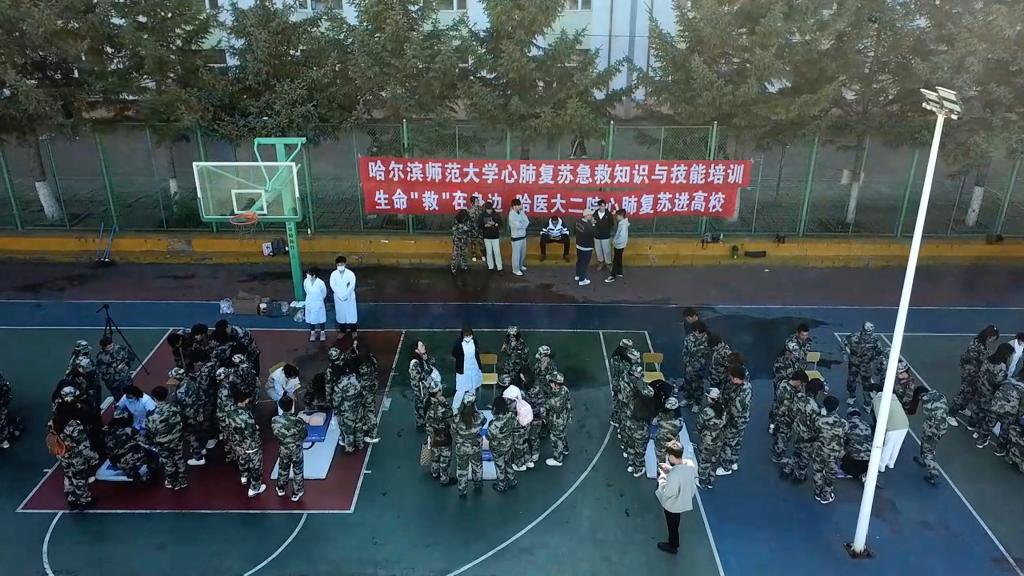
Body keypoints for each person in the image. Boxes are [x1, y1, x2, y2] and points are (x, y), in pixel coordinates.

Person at [52, 390, 100, 510]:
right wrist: (93, 457)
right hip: (75, 456)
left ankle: (71, 499)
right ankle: (83, 500)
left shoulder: (54, 421)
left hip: (62, 454)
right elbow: (83, 445)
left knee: (68, 475)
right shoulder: (73, 424)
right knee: (79, 477)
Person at [948, 325, 999, 427]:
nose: (993, 341)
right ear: (989, 336)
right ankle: (951, 413)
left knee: (971, 393)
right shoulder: (977, 346)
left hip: (975, 372)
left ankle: (962, 407)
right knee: (964, 392)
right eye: (993, 338)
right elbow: (978, 359)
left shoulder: (981, 343)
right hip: (969, 372)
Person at [655, 441, 697, 555]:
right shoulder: (690, 464)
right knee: (676, 520)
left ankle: (673, 545)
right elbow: (682, 473)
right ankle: (674, 542)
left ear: (672, 456)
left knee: (672, 524)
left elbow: (668, 492)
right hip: (684, 498)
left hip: (673, 504)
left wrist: (662, 477)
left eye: (669, 456)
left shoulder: (673, 476)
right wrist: (670, 469)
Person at [144, 385, 188, 490]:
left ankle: (173, 482)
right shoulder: (175, 407)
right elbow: (183, 419)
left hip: (162, 443)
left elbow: (149, 432)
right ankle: (183, 480)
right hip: (177, 439)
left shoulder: (151, 415)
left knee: (168, 462)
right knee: (179, 459)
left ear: (154, 398)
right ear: (167, 395)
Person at [782, 378, 825, 482]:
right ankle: (799, 476)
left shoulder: (799, 397)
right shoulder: (815, 407)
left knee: (797, 451)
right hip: (808, 436)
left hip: (797, 430)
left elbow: (793, 411)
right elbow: (814, 425)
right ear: (817, 392)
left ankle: (787, 469)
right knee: (805, 457)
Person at [972, 342, 1013, 448]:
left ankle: (973, 426)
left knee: (978, 408)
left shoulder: (989, 359)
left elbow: (981, 371)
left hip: (981, 387)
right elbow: (999, 382)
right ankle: (979, 433)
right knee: (987, 414)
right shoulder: (1002, 367)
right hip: (990, 393)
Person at [227, 387, 266, 497]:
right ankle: (254, 488)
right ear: (245, 400)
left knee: (242, 460)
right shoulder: (247, 414)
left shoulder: (230, 413)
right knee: (256, 467)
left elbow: (229, 428)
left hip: (237, 444)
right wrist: (256, 428)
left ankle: (244, 476)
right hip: (251, 445)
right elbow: (251, 432)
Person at [272, 396, 308, 502]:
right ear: (292, 406)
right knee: (298, 470)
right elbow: (304, 434)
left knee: (283, 468)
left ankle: (280, 487)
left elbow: (275, 434)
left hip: (283, 448)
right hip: (296, 449)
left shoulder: (275, 420)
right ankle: (296, 492)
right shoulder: (298, 421)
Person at [104, 407, 154, 482]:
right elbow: (145, 441)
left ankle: (132, 472)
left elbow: (109, 452)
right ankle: (150, 474)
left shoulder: (107, 435)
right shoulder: (128, 430)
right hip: (134, 458)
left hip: (119, 463)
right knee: (153, 455)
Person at [623, 363, 656, 478]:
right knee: (640, 448)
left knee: (631, 444)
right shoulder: (643, 392)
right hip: (640, 425)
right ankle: (638, 468)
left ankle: (631, 464)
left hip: (629, 421)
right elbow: (651, 394)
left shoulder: (627, 383)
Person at [844, 322, 888, 407]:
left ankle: (867, 403)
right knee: (851, 381)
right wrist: (845, 354)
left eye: (869, 331)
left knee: (867, 385)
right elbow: (844, 343)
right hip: (853, 365)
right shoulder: (853, 337)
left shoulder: (875, 340)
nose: (868, 333)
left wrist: (874, 358)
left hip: (866, 366)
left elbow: (879, 351)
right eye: (866, 331)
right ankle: (852, 396)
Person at [812, 396, 846, 504]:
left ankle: (817, 492)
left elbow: (814, 430)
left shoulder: (818, 419)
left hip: (819, 451)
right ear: (837, 408)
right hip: (833, 454)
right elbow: (845, 432)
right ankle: (825, 495)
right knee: (830, 474)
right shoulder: (842, 423)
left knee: (817, 472)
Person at [169, 367, 206, 466]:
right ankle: (202, 448)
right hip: (198, 412)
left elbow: (183, 408)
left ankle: (198, 457)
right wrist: (200, 411)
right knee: (199, 432)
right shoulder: (191, 381)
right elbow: (201, 396)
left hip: (189, 417)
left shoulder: (180, 392)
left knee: (191, 437)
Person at [527, 345, 558, 465]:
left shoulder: (552, 367)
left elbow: (552, 383)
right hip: (539, 392)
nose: (539, 357)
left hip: (547, 393)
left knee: (546, 412)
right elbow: (534, 375)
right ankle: (541, 427)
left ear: (545, 356)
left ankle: (545, 428)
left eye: (541, 355)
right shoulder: (537, 364)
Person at [913, 385, 949, 485]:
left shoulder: (927, 403)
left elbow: (929, 416)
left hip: (932, 430)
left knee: (928, 450)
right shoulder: (940, 396)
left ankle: (933, 471)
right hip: (942, 427)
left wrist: (928, 429)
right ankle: (923, 460)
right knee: (927, 445)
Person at [719, 365, 751, 475]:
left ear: (736, 379)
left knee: (728, 443)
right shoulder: (747, 385)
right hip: (743, 420)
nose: (730, 379)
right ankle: (733, 461)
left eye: (732, 378)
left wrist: (724, 419)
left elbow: (733, 412)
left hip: (735, 422)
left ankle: (726, 467)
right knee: (737, 442)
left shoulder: (740, 397)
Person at [871, 382, 910, 473]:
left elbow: (879, 417)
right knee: (896, 445)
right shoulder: (893, 397)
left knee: (888, 445)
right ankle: (891, 462)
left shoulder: (877, 400)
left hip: (893, 426)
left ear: (874, 392)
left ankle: (881, 465)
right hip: (904, 424)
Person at [771, 370, 808, 464]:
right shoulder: (790, 394)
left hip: (776, 412)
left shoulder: (784, 383)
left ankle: (776, 451)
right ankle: (778, 457)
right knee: (783, 438)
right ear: (799, 381)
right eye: (802, 384)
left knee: (779, 435)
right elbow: (785, 409)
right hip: (784, 419)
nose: (802, 386)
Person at [452, 391, 484, 497]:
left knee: (462, 469)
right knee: (477, 466)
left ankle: (462, 490)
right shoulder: (479, 417)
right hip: (475, 446)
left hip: (461, 447)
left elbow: (453, 429)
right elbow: (483, 422)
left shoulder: (457, 417)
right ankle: (478, 485)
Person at [329, 356, 362, 453]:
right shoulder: (356, 377)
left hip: (347, 408)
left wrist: (335, 408)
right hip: (358, 404)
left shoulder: (341, 383)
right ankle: (360, 443)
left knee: (348, 430)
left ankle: (350, 448)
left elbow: (336, 399)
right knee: (358, 425)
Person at [770, 341, 803, 433]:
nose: (795, 356)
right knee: (777, 406)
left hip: (792, 386)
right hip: (781, 387)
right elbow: (781, 379)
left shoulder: (794, 360)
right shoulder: (780, 362)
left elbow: (798, 370)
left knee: (787, 407)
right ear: (787, 352)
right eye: (793, 353)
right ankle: (772, 425)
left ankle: (783, 424)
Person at [696, 387, 726, 490]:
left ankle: (702, 481)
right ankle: (711, 481)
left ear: (709, 398)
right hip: (719, 437)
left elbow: (699, 424)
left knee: (704, 460)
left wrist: (701, 432)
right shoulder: (722, 408)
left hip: (708, 439)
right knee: (714, 460)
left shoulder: (707, 411)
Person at [425, 380, 454, 485]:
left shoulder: (427, 402)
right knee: (445, 457)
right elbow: (450, 413)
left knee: (435, 454)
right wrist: (444, 402)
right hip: (442, 435)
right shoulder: (440, 407)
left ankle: (434, 472)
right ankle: (444, 479)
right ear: (438, 392)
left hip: (431, 433)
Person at [354, 339, 381, 445]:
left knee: (369, 411)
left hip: (366, 390)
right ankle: (367, 425)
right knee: (368, 408)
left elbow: (359, 379)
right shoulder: (371, 359)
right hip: (372, 387)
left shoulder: (362, 365)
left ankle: (374, 434)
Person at [488, 397, 518, 492]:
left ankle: (501, 485)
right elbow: (515, 425)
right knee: (508, 462)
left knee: (500, 466)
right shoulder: (511, 415)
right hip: (508, 444)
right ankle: (512, 480)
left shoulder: (493, 424)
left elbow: (489, 436)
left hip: (497, 448)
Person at [990, 375, 1023, 457]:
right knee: (1004, 431)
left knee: (989, 423)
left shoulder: (1009, 380)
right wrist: (1018, 418)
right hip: (1009, 413)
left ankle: (980, 439)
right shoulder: (1022, 391)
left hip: (996, 406)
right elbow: (1021, 409)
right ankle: (999, 450)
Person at [544, 372, 573, 467]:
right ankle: (565, 449)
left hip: (557, 421)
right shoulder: (564, 389)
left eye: (551, 382)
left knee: (556, 438)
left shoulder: (556, 399)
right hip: (564, 417)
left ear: (555, 384)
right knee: (562, 434)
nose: (550, 383)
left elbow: (548, 405)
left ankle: (558, 459)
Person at [409, 340, 439, 431]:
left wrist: (427, 360)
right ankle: (421, 424)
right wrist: (429, 368)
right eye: (421, 346)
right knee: (421, 406)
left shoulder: (423, 357)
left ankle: (425, 422)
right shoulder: (415, 363)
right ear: (416, 350)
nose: (424, 347)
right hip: (420, 389)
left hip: (425, 386)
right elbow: (419, 377)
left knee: (426, 404)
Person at [451, 327, 483, 409]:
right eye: (466, 335)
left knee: (472, 388)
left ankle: (472, 406)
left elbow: (476, 354)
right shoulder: (458, 344)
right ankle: (455, 408)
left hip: (474, 369)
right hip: (463, 371)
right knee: (461, 390)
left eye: (469, 335)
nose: (468, 337)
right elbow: (454, 353)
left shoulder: (474, 341)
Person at [680, 321, 709, 411]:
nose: (698, 334)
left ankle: (697, 403)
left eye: (700, 333)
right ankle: (688, 398)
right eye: (696, 332)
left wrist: (696, 363)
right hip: (688, 365)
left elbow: (703, 353)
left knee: (698, 385)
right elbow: (685, 350)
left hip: (699, 366)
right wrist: (686, 362)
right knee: (687, 383)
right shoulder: (689, 338)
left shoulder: (707, 340)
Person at [96, 335, 133, 402]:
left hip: (124, 378)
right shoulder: (100, 357)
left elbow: (131, 356)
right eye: (107, 348)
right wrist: (116, 369)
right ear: (103, 347)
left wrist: (126, 363)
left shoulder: (120, 348)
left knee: (131, 396)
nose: (110, 349)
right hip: (112, 382)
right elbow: (103, 370)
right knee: (119, 400)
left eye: (111, 346)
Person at [839, 408, 872, 482]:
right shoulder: (867, 425)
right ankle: (865, 473)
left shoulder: (848, 424)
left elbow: (841, 439)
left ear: (849, 415)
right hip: (868, 458)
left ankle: (860, 475)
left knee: (845, 467)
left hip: (854, 457)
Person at [330, 256, 358, 340]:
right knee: (341, 315)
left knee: (351, 315)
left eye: (341, 264)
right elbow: (332, 285)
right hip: (339, 298)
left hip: (349, 298)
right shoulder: (333, 274)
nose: (340, 266)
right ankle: (342, 331)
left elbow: (352, 286)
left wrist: (345, 295)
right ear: (336, 265)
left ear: (345, 264)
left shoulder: (350, 274)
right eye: (338, 264)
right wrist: (340, 295)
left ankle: (354, 331)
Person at [653, 396, 682, 463]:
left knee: (660, 459)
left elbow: (655, 422)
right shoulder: (680, 422)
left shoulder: (660, 418)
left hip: (661, 441)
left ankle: (661, 468)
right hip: (673, 441)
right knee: (674, 458)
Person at [303, 267, 328, 342]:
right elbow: (306, 289)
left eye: (308, 273)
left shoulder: (321, 283)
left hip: (318, 304)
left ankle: (322, 333)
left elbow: (324, 293)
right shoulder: (306, 281)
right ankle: (313, 333)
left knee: (321, 319)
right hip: (309, 303)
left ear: (314, 275)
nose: (307, 274)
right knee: (311, 319)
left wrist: (319, 300)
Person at [605, 209, 629, 282]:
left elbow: (622, 237)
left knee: (615, 260)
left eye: (617, 216)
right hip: (621, 244)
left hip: (619, 245)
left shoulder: (623, 225)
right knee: (619, 258)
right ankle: (619, 272)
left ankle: (612, 276)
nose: (616, 217)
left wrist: (615, 242)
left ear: (621, 216)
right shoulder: (623, 222)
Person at [479, 201, 503, 272]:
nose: (489, 211)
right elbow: (479, 225)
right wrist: (484, 225)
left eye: (490, 209)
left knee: (497, 252)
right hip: (486, 236)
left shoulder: (496, 215)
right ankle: (490, 266)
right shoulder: (482, 215)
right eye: (487, 209)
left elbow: (501, 224)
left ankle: (499, 267)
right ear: (485, 209)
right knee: (489, 252)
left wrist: (494, 224)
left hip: (495, 236)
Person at [574, 209, 595, 286]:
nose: (591, 216)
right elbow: (593, 233)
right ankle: (582, 280)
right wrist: (593, 224)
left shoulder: (578, 222)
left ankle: (577, 275)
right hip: (586, 247)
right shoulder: (588, 225)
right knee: (584, 263)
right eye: (590, 215)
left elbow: (575, 232)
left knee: (579, 261)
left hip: (579, 245)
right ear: (586, 215)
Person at [508, 199, 529, 276]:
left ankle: (520, 265)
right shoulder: (511, 214)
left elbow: (527, 221)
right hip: (516, 237)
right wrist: (522, 224)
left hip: (523, 235)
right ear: (514, 206)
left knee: (522, 253)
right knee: (516, 254)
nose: (521, 206)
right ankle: (515, 269)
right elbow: (517, 226)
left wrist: (522, 224)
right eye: (519, 205)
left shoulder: (521, 212)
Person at [592, 199, 613, 271]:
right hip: (597, 236)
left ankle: (608, 263)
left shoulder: (608, 214)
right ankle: (601, 262)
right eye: (601, 206)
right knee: (598, 250)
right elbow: (592, 223)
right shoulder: (595, 214)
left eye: (604, 206)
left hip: (605, 236)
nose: (602, 208)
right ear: (598, 206)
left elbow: (611, 224)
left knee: (607, 250)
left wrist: (606, 229)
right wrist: (593, 224)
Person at [451, 209, 473, 275]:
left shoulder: (468, 220)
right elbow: (453, 228)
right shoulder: (457, 219)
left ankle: (464, 266)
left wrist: (467, 228)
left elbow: (470, 228)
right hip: (457, 239)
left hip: (464, 239)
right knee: (455, 254)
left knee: (463, 253)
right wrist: (460, 227)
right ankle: (453, 268)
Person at [467, 194, 485, 262]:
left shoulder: (481, 209)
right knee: (473, 243)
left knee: (481, 242)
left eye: (478, 201)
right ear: (472, 202)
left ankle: (483, 255)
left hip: (480, 229)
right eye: (476, 201)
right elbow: (468, 221)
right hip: (473, 229)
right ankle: (474, 255)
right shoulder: (469, 210)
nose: (478, 202)